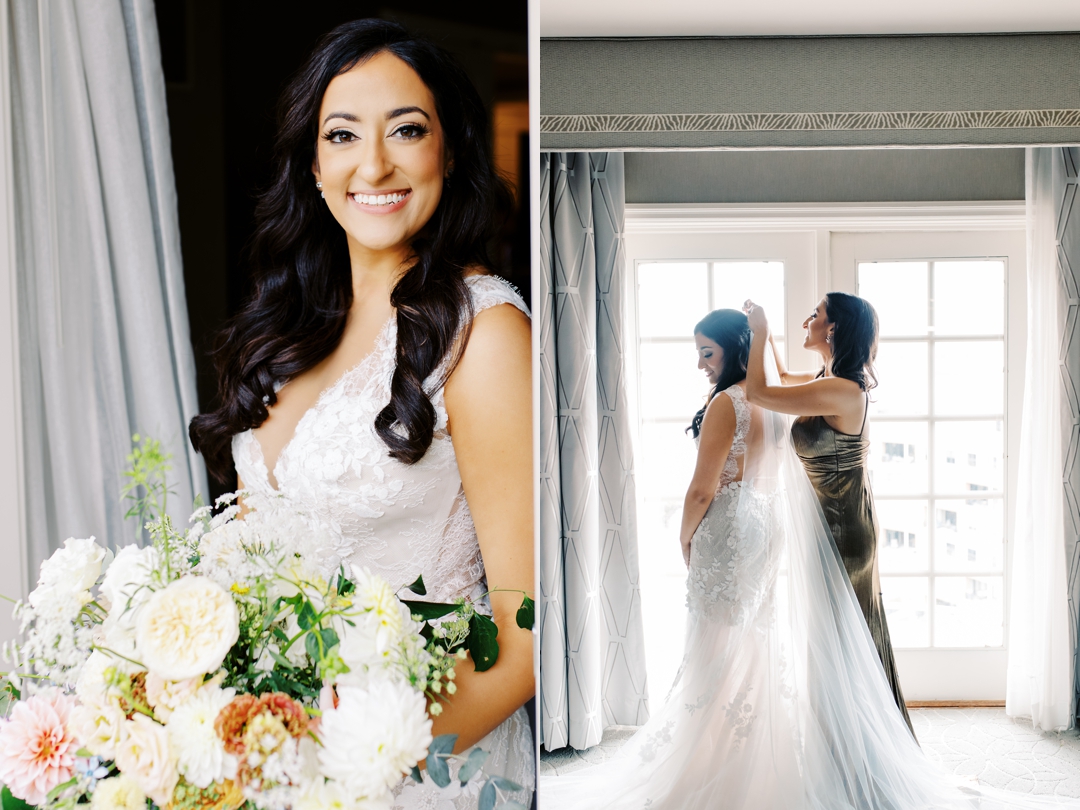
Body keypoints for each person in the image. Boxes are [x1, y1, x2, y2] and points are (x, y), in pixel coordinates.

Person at [188, 20, 534, 809]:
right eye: (342, 135)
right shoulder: (282, 335)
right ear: (314, 165)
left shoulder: (483, 331)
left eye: (406, 131)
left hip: (421, 771)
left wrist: (352, 782)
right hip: (274, 768)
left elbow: (527, 645)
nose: (373, 164)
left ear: (449, 151)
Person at [540, 309, 1064, 809]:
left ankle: (714, 755)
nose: (700, 365)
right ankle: (749, 748)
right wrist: (759, 340)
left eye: (706, 353)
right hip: (766, 525)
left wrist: (684, 537)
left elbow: (702, 489)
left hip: (739, 526)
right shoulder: (772, 398)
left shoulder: (735, 403)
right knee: (753, 641)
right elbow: (771, 394)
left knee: (715, 643)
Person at [742, 294, 911, 731]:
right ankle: (839, 735)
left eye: (814, 315)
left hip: (843, 529)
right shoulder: (828, 377)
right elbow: (777, 376)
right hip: (835, 521)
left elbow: (760, 393)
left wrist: (758, 329)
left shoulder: (842, 390)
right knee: (837, 635)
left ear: (832, 329)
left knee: (846, 635)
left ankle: (862, 738)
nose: (807, 320)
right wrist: (764, 332)